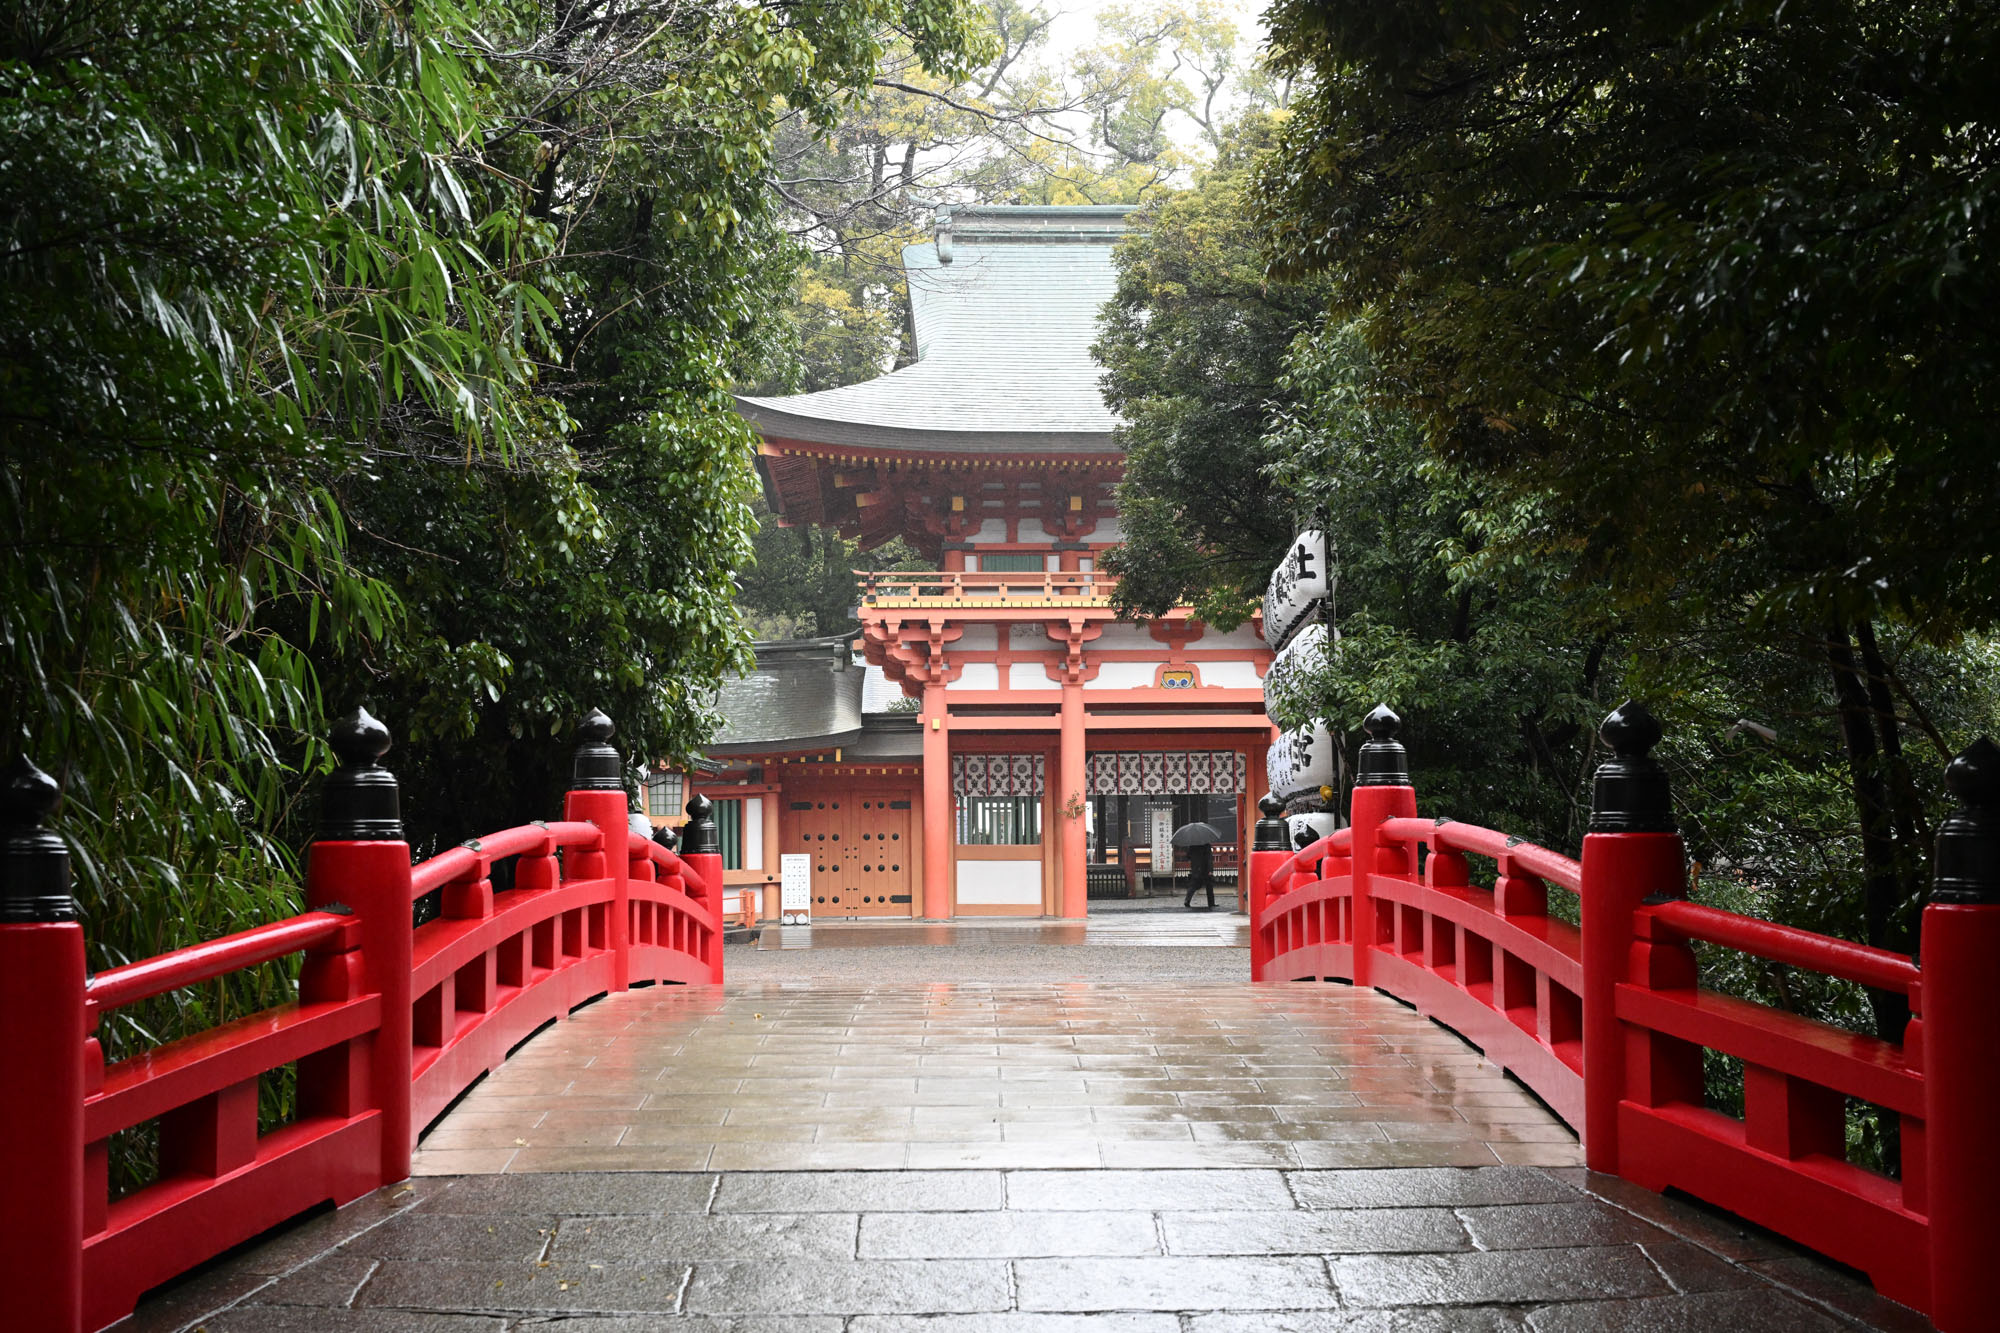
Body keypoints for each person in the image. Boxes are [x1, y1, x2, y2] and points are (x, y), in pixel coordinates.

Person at [1183, 841, 1216, 910]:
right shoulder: (1207, 845)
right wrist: (1210, 870)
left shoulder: (1192, 844)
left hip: (1195, 867)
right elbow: (1209, 859)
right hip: (1205, 868)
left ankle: (1187, 900)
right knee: (1209, 886)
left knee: (1193, 885)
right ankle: (1211, 903)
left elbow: (1188, 856)